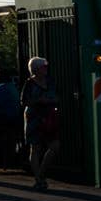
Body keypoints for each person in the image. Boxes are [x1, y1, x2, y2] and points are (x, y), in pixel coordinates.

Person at [21, 56, 63, 191]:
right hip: (34, 117)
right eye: (43, 66)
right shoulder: (29, 83)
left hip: (49, 117)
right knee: (36, 148)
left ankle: (40, 174)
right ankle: (39, 179)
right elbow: (24, 101)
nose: (46, 69)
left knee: (55, 146)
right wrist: (39, 100)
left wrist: (53, 100)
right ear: (36, 69)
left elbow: (57, 96)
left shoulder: (50, 81)